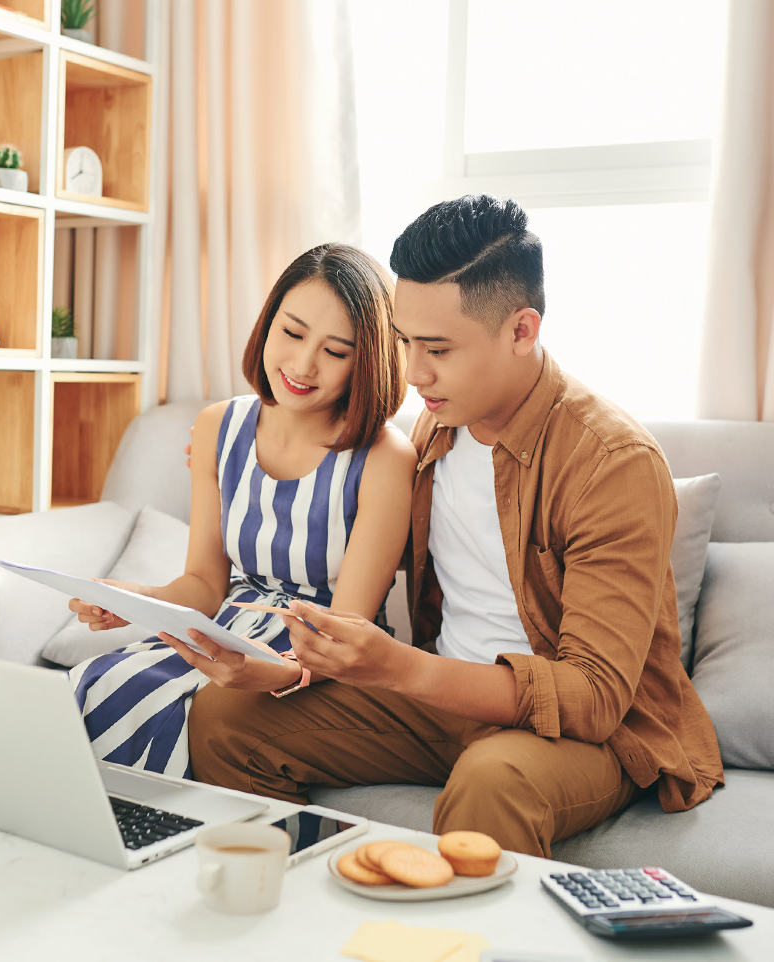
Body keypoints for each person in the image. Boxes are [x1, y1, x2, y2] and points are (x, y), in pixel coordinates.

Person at [186, 195, 724, 857]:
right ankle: (296, 915)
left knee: (492, 780)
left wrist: (401, 668)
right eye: (406, 341)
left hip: (581, 735)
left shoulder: (611, 463)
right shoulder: (436, 427)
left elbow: (593, 697)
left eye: (437, 348)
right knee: (224, 718)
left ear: (521, 331)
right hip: (444, 705)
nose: (414, 373)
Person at [66, 242, 417, 778]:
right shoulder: (218, 427)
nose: (302, 364)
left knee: (177, 715)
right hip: (225, 632)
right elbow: (205, 584)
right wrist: (138, 601)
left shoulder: (384, 458)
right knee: (89, 685)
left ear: (365, 360)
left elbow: (344, 632)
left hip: (318, 661)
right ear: (268, 323)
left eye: (336, 351)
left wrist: (264, 671)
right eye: (292, 333)